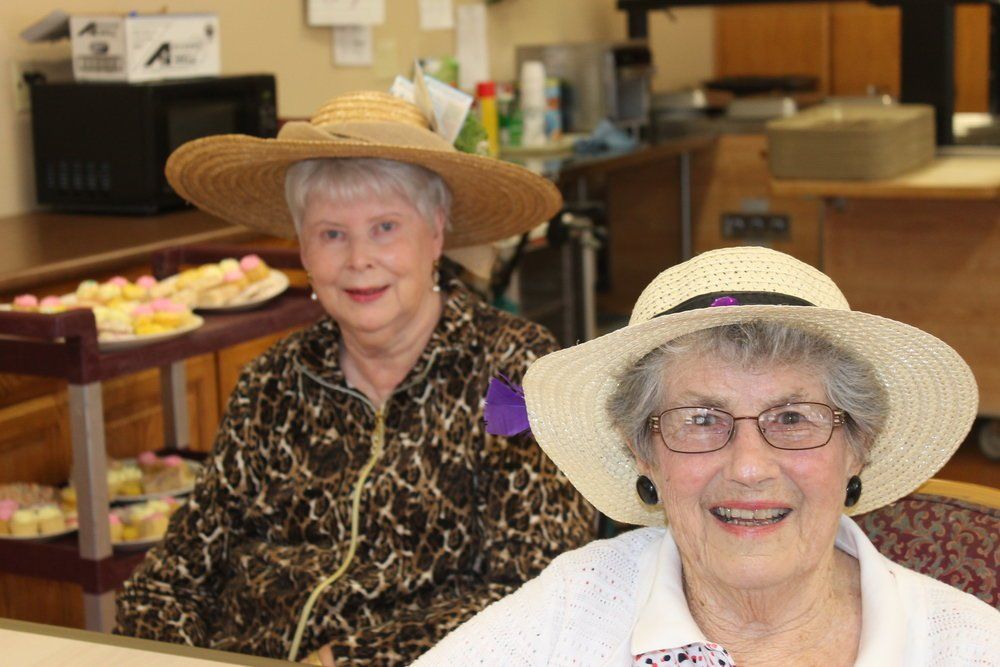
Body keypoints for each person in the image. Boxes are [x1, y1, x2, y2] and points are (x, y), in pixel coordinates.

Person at [114, 91, 593, 664]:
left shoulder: (512, 372)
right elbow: (173, 577)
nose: (359, 258)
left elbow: (538, 584)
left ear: (435, 235)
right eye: (332, 234)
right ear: (304, 251)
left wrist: (356, 657)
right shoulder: (273, 381)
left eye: (385, 227)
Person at [413, 246, 1000, 666]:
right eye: (700, 420)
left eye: (792, 418)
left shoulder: (967, 647)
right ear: (642, 452)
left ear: (857, 448)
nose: (749, 468)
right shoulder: (570, 609)